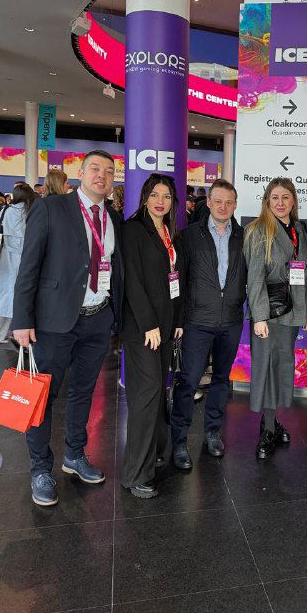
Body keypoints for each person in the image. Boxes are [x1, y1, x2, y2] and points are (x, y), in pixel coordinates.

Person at [12, 150, 123, 506]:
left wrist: (115, 316)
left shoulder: (113, 218)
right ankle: (40, 468)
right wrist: (22, 319)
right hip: (54, 322)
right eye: (95, 169)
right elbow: (28, 266)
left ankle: (74, 455)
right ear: (80, 171)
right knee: (43, 396)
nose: (101, 176)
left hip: (98, 319)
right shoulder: (51, 207)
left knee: (83, 392)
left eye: (108, 172)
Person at [170, 180, 246, 468]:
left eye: (229, 202)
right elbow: (178, 279)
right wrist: (179, 319)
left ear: (235, 205)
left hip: (231, 321)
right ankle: (179, 441)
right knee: (188, 382)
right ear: (209, 203)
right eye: (218, 201)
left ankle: (213, 432)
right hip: (197, 321)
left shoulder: (244, 236)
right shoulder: (189, 236)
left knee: (221, 381)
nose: (223, 207)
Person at [121, 175, 184, 498]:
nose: (161, 201)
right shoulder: (133, 230)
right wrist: (149, 324)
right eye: (155, 194)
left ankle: (156, 454)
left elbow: (175, 280)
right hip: (143, 330)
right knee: (146, 398)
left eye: (167, 196)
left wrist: (177, 320)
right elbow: (132, 281)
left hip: (165, 326)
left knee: (159, 393)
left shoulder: (169, 232)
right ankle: (136, 474)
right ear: (144, 197)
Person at [244, 177, 307, 459]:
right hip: (268, 315)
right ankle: (268, 429)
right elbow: (255, 278)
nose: (280, 203)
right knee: (266, 370)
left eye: (286, 197)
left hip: (292, 311)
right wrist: (259, 317)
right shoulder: (259, 230)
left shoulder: (300, 230)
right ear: (267, 201)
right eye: (275, 198)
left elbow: (305, 274)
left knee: (282, 368)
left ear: (294, 200)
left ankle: (271, 420)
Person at [0, 184, 36, 345]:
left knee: (4, 295)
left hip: (6, 259)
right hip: (28, 260)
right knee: (28, 296)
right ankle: (26, 335)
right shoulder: (32, 212)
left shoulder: (5, 210)